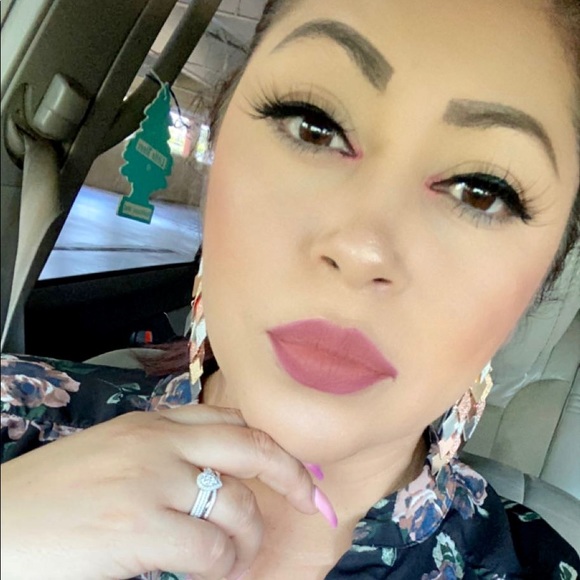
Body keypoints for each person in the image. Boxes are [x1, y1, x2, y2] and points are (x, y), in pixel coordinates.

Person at [2, 0, 580, 578]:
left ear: (543, 279)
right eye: (313, 125)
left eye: (481, 191)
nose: (361, 249)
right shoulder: (16, 420)